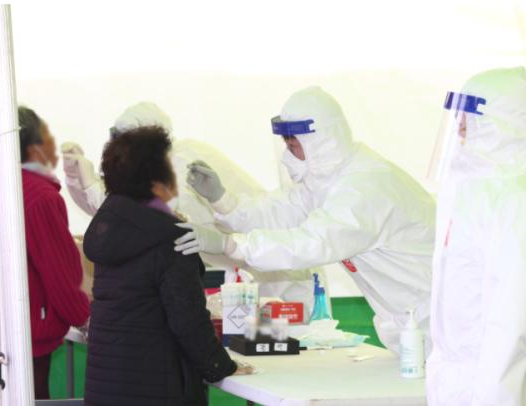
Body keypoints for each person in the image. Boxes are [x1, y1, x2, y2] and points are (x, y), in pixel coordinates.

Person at [176, 86, 436, 354]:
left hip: (436, 319)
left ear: (320, 142)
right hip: (409, 323)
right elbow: (277, 213)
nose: (287, 156)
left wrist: (232, 245)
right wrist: (222, 200)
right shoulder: (325, 183)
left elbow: (312, 242)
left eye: (293, 146)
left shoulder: (366, 187)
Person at [61, 102, 326, 319]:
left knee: (292, 347)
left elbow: (136, 220)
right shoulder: (158, 165)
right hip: (252, 272)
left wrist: (90, 185)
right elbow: (117, 210)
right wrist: (77, 179)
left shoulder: (179, 164)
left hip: (284, 278)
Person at [82, 126, 251, 405]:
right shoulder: (170, 237)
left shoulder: (110, 225)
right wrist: (221, 366)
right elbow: (188, 319)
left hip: (108, 384)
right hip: (158, 386)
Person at [0, 106, 91, 399]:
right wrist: (84, 316)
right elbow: (58, 272)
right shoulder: (39, 196)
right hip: (23, 335)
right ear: (35, 146)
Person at [426, 67, 526, 405]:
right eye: (459, 117)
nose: (460, 127)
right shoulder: (471, 192)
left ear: (503, 123)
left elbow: (510, 324)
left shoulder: (513, 199)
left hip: (485, 386)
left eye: (470, 117)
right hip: (455, 380)